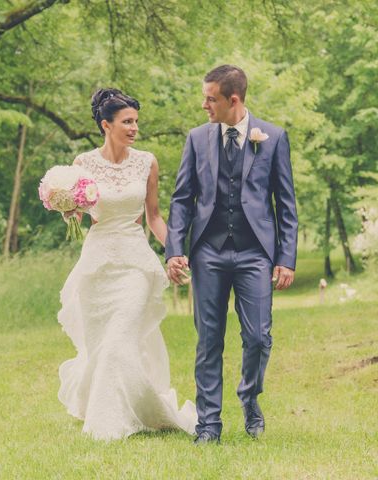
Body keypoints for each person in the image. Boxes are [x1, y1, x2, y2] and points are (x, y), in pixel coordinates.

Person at [166, 65, 298, 445]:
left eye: (211, 98)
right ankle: (208, 424)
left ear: (233, 100)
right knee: (209, 340)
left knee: (258, 337)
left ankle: (249, 395)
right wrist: (175, 249)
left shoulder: (272, 137)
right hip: (208, 252)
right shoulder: (196, 139)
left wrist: (285, 257)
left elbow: (286, 204)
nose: (204, 104)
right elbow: (181, 200)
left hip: (255, 253)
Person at [57, 88, 196, 441]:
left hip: (135, 264)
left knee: (121, 338)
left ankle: (108, 423)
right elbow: (79, 215)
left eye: (136, 121)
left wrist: (176, 250)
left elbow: (153, 216)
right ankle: (119, 405)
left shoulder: (147, 161)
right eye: (127, 121)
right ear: (106, 125)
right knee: (101, 343)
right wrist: (66, 208)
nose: (134, 128)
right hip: (97, 262)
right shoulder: (82, 165)